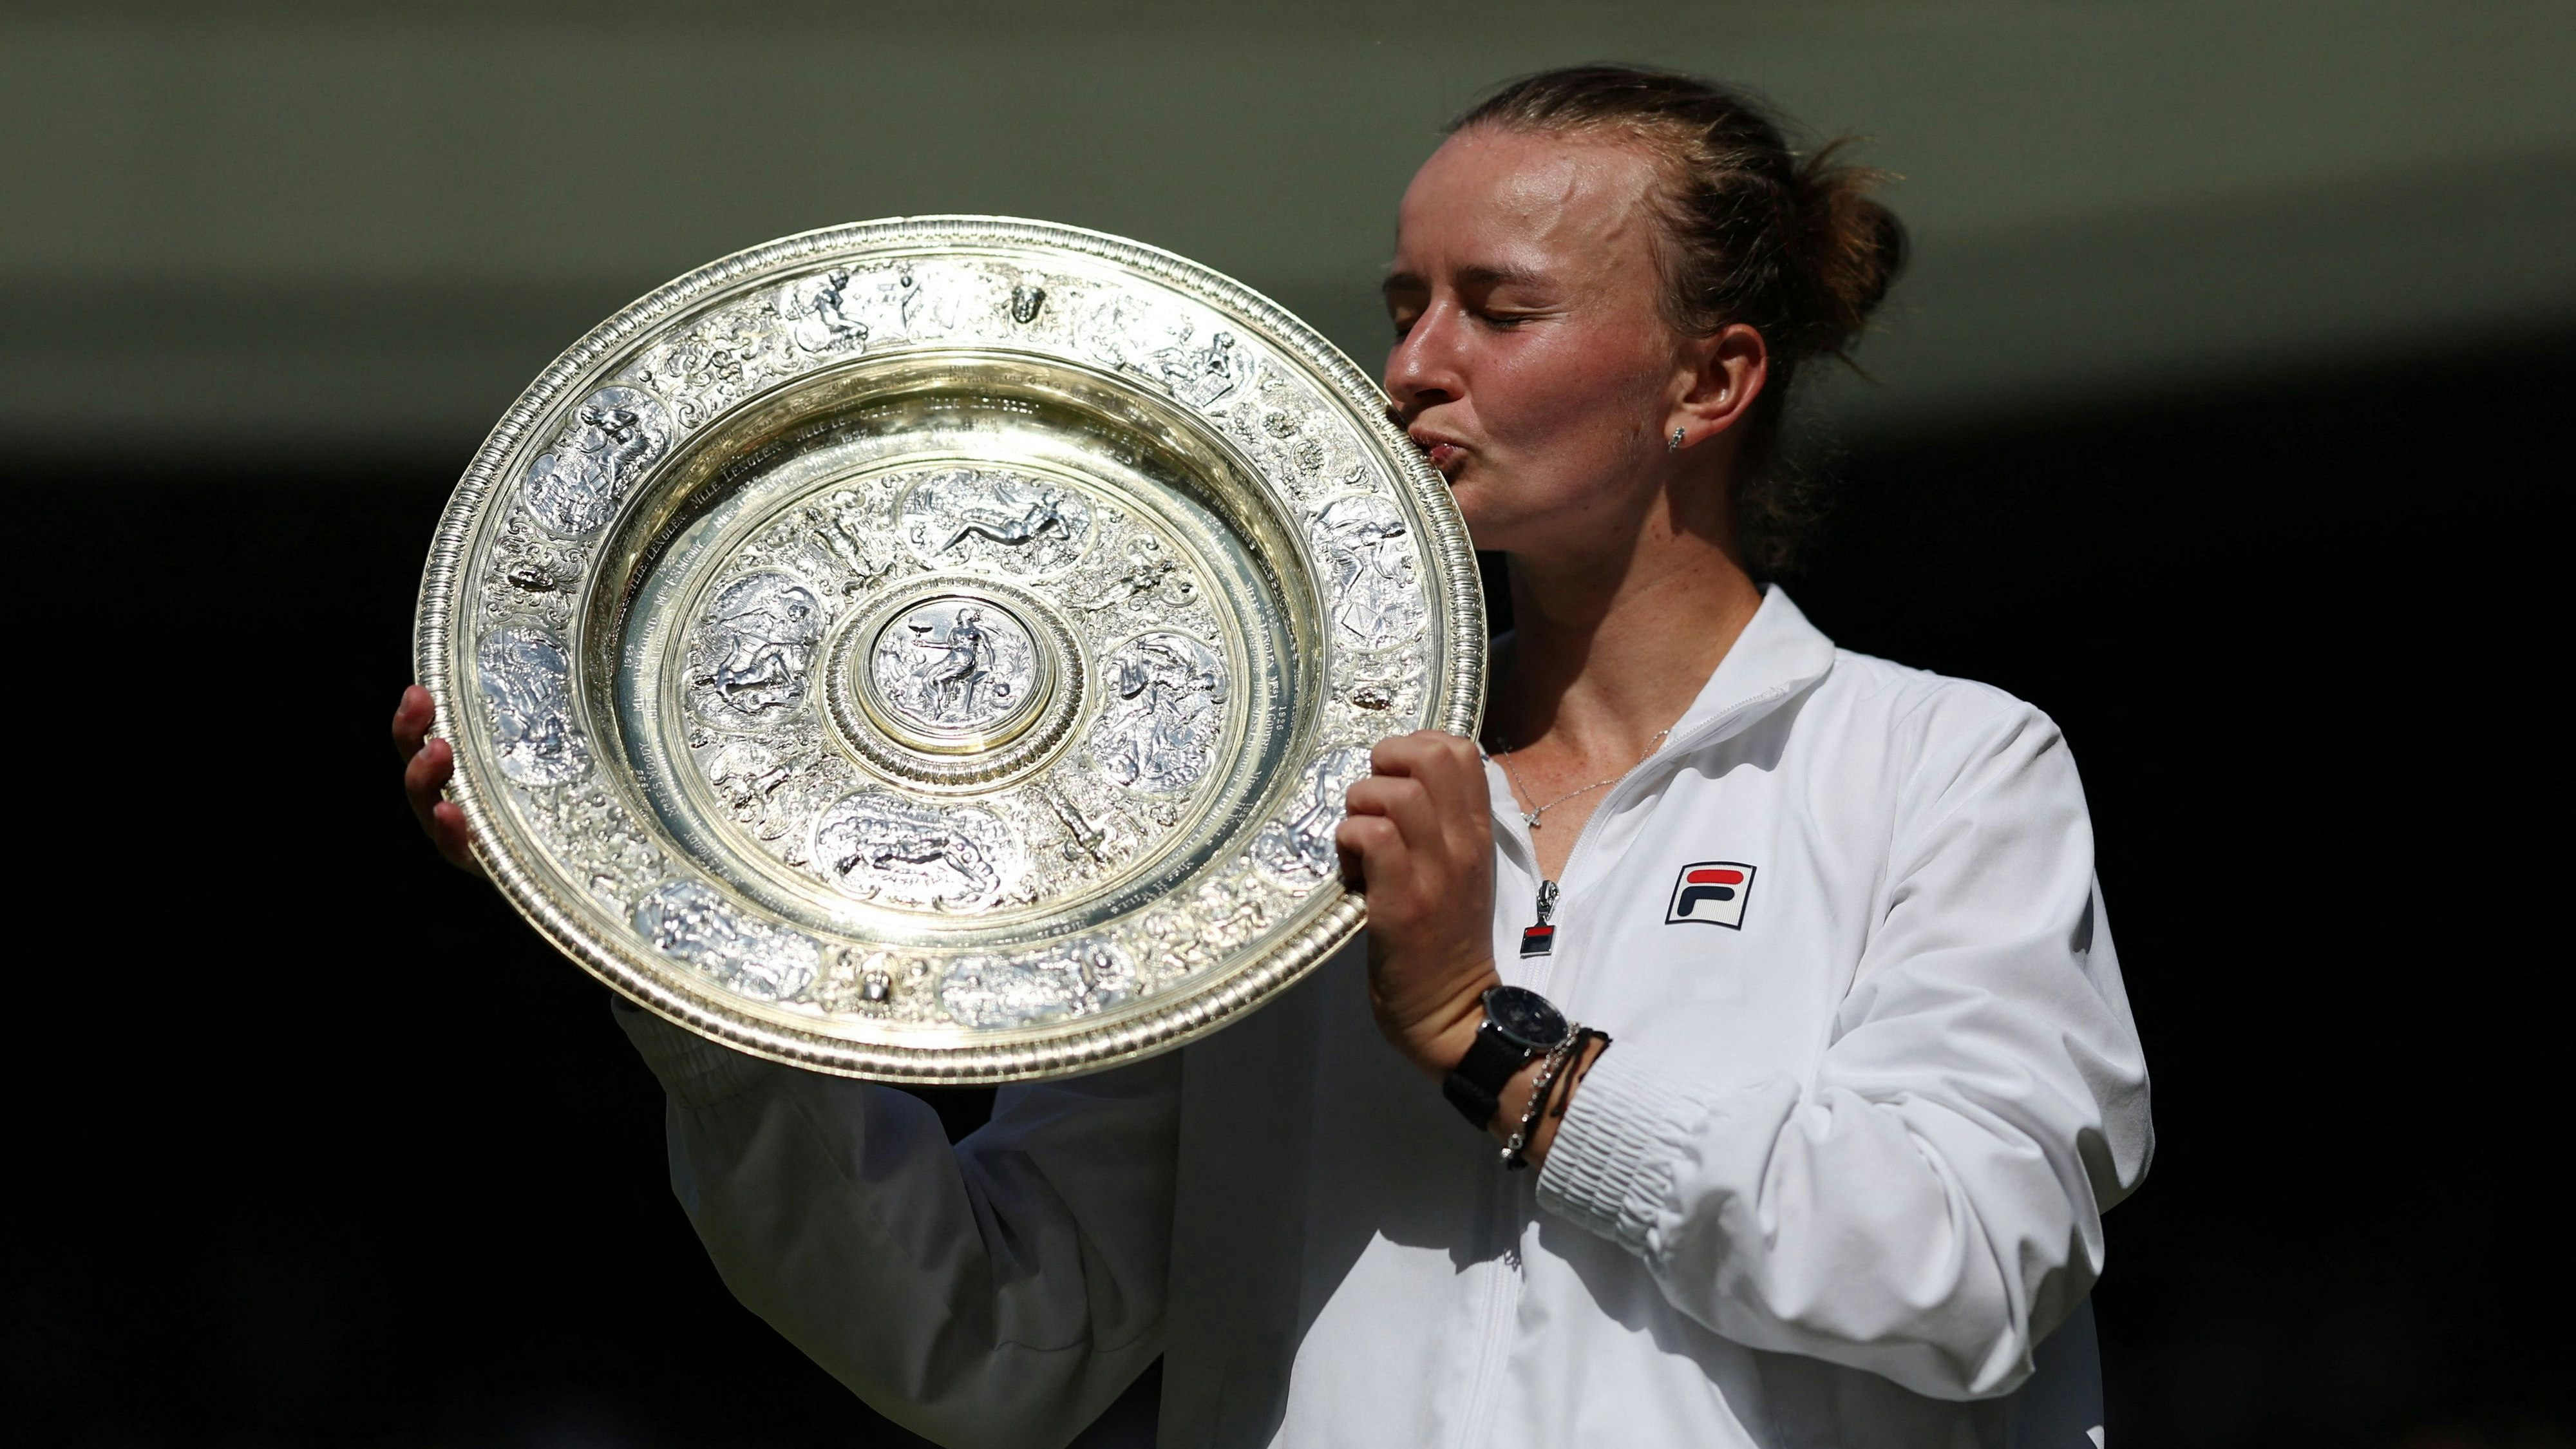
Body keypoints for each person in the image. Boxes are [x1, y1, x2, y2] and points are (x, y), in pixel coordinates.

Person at [394, 66, 2152, 1448]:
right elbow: (994, 1345)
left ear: (1712, 379)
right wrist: (687, 948)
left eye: (1499, 308)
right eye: (1405, 303)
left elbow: (1965, 1267)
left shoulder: (1942, 764)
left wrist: (1492, 1036)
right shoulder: (1270, 807)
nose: (1412, 367)